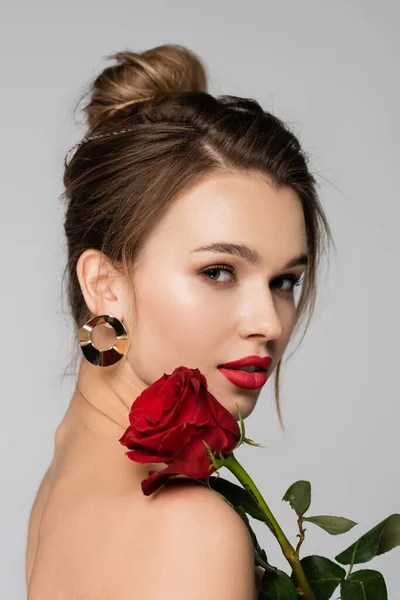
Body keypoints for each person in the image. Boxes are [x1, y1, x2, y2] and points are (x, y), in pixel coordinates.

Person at [25, 43, 333, 599]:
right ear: (105, 284)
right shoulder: (192, 529)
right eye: (218, 271)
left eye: (285, 281)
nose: (268, 322)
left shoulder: (65, 473)